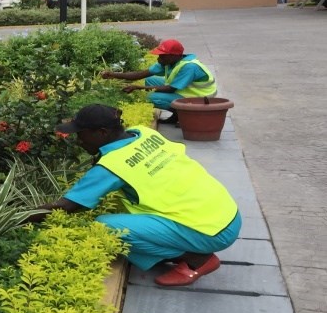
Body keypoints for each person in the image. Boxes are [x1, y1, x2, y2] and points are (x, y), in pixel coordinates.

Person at [31, 104, 240, 286]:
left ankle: (197, 259)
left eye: (81, 134)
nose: (78, 141)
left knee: (105, 226)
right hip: (227, 214)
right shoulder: (143, 133)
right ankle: (187, 249)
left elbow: (68, 206)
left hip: (210, 232)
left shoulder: (112, 165)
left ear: (102, 132)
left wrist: (20, 217)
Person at [100, 39, 216, 124]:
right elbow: (140, 75)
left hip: (200, 98)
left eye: (162, 56)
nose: (159, 58)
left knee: (149, 97)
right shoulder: (168, 62)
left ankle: (184, 116)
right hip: (185, 91)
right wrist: (113, 75)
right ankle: (177, 115)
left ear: (173, 56)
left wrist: (138, 88)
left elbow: (171, 89)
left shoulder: (189, 67)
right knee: (150, 80)